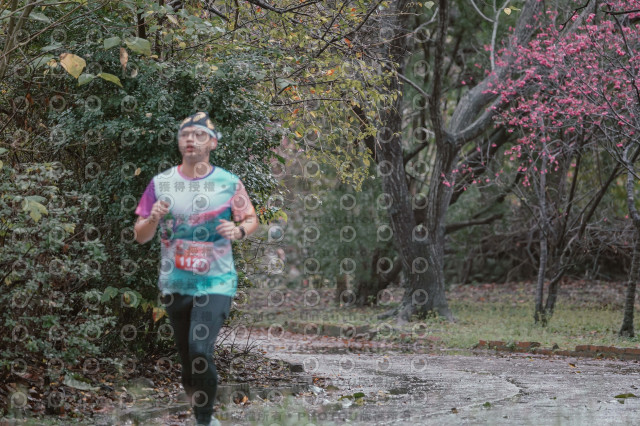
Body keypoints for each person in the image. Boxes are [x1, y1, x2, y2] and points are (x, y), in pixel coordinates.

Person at [134, 111, 258, 426]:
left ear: (213, 142)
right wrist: (153, 218)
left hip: (216, 282)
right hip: (175, 284)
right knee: (189, 362)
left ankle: (205, 420)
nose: (191, 139)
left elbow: (250, 218)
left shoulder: (228, 183)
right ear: (179, 142)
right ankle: (200, 408)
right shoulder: (161, 183)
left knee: (200, 349)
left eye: (199, 134)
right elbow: (140, 235)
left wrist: (239, 231)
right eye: (185, 134)